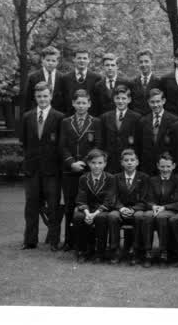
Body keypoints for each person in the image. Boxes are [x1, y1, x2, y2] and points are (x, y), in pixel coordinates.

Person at [20, 81, 65, 251]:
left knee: (53, 206)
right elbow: (25, 143)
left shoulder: (59, 117)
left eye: (45, 96)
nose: (42, 99)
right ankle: (30, 241)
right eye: (39, 96)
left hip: (52, 170)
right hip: (32, 170)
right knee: (31, 206)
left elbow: (61, 145)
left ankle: (53, 241)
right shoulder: (27, 116)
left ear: (50, 96)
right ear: (35, 97)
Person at [58, 89, 102, 251]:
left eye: (84, 103)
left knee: (89, 204)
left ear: (89, 104)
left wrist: (83, 162)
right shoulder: (66, 122)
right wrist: (71, 163)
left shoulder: (96, 122)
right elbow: (62, 146)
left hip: (88, 170)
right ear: (73, 104)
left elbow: (97, 145)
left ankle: (89, 240)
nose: (81, 106)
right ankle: (69, 241)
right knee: (70, 205)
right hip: (69, 171)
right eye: (78, 103)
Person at [142, 152, 178, 268]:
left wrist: (164, 207)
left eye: (168, 166)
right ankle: (148, 252)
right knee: (147, 215)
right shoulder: (152, 180)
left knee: (162, 217)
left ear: (173, 166)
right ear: (158, 166)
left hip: (171, 209)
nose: (165, 169)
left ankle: (163, 252)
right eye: (162, 166)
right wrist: (153, 206)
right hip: (155, 209)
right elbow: (148, 198)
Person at [72, 149, 116, 263]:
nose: (97, 166)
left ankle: (100, 252)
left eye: (100, 163)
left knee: (101, 218)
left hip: (102, 209)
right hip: (87, 208)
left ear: (105, 164)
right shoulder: (83, 178)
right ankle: (83, 250)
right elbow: (81, 198)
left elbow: (109, 200)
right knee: (78, 217)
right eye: (93, 163)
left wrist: (95, 214)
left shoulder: (110, 178)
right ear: (88, 163)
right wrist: (87, 213)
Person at [107, 149, 149, 265]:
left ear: (137, 162)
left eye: (132, 160)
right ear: (122, 163)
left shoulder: (144, 177)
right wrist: (121, 208)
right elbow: (112, 197)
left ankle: (136, 251)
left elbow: (145, 199)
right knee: (112, 216)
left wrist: (133, 209)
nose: (129, 163)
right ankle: (115, 250)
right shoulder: (115, 178)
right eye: (126, 160)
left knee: (140, 216)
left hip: (137, 209)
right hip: (120, 209)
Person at [137, 89, 178, 176]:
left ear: (163, 101)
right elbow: (139, 146)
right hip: (147, 166)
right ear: (148, 102)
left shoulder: (174, 121)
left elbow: (176, 147)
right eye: (152, 102)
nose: (155, 105)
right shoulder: (143, 121)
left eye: (158, 101)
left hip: (166, 166)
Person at [99, 85, 141, 174]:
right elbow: (102, 141)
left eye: (124, 98)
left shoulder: (137, 118)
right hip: (110, 161)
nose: (120, 101)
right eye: (118, 98)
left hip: (128, 161)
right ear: (114, 99)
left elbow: (138, 142)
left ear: (129, 100)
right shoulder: (105, 117)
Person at [24, 45, 67, 113]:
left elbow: (65, 100)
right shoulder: (33, 77)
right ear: (42, 59)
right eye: (48, 60)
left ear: (57, 62)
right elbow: (28, 100)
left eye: (53, 61)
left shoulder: (63, 78)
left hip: (58, 115)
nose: (50, 63)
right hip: (38, 113)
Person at [62, 48, 102, 116]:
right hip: (70, 117)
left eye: (84, 58)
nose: (82, 60)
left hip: (91, 117)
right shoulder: (65, 78)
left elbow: (98, 102)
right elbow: (63, 101)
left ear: (89, 60)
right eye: (79, 58)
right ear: (74, 59)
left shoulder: (97, 78)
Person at [130, 49, 160, 115]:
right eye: (141, 62)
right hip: (137, 118)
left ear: (152, 62)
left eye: (146, 61)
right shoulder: (132, 83)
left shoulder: (159, 82)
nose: (143, 64)